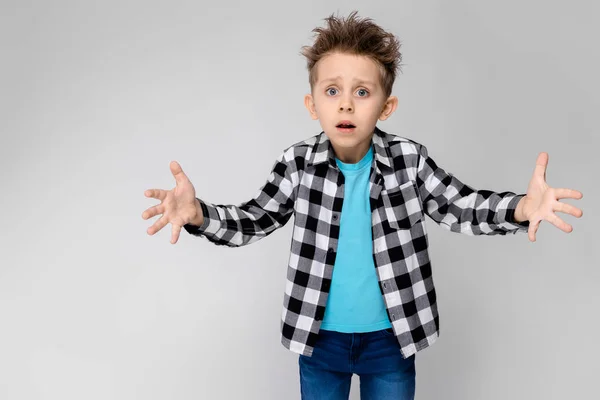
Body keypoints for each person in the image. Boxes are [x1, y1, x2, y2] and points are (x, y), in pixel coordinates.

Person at [141, 11, 583, 400]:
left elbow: (459, 205)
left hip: (391, 338)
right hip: (320, 339)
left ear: (386, 107)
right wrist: (200, 214)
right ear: (312, 105)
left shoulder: (409, 160)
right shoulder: (297, 163)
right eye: (332, 91)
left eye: (362, 92)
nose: (346, 103)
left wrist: (521, 207)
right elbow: (256, 218)